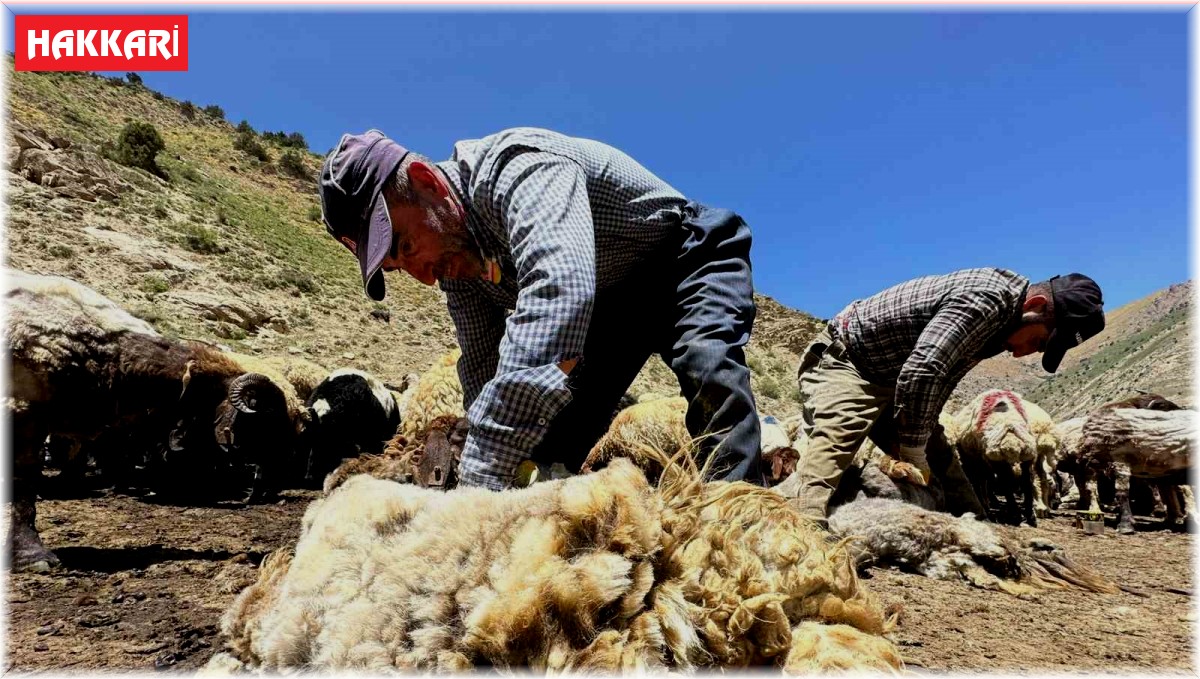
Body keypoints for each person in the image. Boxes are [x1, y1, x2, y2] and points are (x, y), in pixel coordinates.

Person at [317, 127, 764, 490]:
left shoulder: (519, 168)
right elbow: (483, 366)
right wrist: (485, 453)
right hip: (610, 307)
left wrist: (482, 475)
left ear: (426, 181)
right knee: (550, 442)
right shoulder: (457, 269)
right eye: (400, 268)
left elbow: (557, 294)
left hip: (683, 257)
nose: (425, 276)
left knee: (708, 367)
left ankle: (742, 519)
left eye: (407, 245)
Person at [786, 268, 1104, 523]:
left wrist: (922, 442)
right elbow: (924, 370)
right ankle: (797, 532)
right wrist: (912, 452)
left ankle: (977, 526)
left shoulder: (998, 328)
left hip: (896, 381)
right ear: (1034, 307)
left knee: (940, 455)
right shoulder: (987, 299)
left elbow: (940, 380)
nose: (1024, 355)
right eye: (1038, 342)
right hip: (848, 362)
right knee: (839, 436)